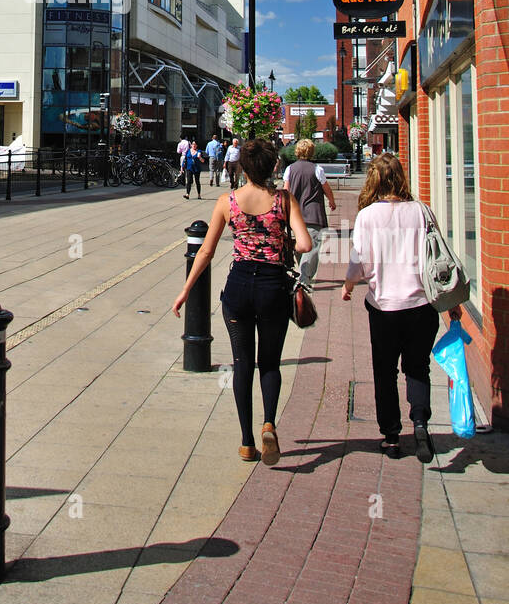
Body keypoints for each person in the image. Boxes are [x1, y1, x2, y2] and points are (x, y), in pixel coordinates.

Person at [173, 139, 312, 465]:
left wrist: (185, 290)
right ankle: (268, 424)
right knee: (270, 363)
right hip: (272, 287)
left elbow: (205, 251)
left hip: (238, 289)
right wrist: (283, 239)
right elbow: (304, 244)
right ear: (272, 166)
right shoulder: (283, 201)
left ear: (244, 168)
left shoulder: (228, 201)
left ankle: (247, 442)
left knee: (242, 364)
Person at [342, 154, 462, 461]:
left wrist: (348, 285)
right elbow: (437, 258)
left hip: (384, 307)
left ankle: (392, 437)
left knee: (385, 371)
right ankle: (420, 422)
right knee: (417, 368)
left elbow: (360, 261)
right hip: (421, 305)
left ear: (374, 180)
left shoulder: (368, 216)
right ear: (401, 178)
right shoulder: (422, 211)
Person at [282, 138, 336, 286]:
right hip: (313, 214)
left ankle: (303, 274)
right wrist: (331, 201)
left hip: (294, 215)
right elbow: (326, 188)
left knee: (300, 246)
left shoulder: (290, 169)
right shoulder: (317, 169)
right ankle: (304, 278)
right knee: (312, 247)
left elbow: (286, 191)